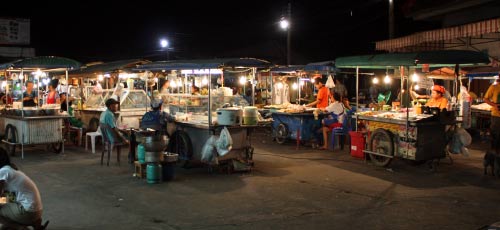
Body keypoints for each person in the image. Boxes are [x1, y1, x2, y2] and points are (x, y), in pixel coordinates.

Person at [0, 148, 45, 229]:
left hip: (29, 211)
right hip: (36, 210)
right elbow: (10, 196)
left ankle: (20, 228)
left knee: (1, 208)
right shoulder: (10, 169)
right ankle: (36, 223)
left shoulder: (2, 172)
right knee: (3, 199)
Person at [483, 78, 500, 152]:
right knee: (495, 135)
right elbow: (485, 99)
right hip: (496, 116)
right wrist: (494, 105)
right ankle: (493, 153)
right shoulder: (494, 87)